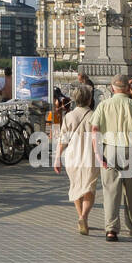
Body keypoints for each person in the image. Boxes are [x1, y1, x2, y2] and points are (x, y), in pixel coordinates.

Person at [89, 74, 132, 241]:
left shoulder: (103, 106)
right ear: (128, 88)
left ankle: (111, 229)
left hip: (110, 149)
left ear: (112, 88)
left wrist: (98, 155)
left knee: (111, 191)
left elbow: (94, 131)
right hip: (130, 149)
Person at [54, 82, 97, 234]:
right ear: (89, 99)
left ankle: (80, 216)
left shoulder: (69, 116)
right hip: (90, 155)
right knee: (89, 188)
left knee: (76, 187)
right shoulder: (94, 116)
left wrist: (57, 157)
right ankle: (84, 216)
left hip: (72, 156)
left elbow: (63, 139)